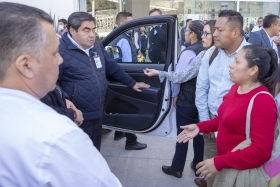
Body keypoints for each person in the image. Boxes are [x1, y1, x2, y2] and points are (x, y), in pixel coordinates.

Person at [0, 2, 121, 186]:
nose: (61, 59)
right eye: (55, 52)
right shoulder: (58, 137)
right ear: (25, 65)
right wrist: (71, 114)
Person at [177, 45, 278, 186]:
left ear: (253, 70)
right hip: (227, 165)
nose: (231, 65)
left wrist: (219, 162)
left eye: (237, 62)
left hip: (241, 173)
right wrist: (200, 127)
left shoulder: (263, 101)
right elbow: (224, 119)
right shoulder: (236, 87)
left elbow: (261, 152)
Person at [58, 12, 149, 151]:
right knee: (81, 155)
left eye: (93, 30)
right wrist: (64, 99)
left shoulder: (96, 47)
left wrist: (131, 83)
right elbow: (52, 83)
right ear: (72, 30)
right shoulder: (59, 51)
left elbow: (112, 67)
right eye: (86, 30)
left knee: (95, 152)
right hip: (77, 117)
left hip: (97, 112)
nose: (91, 34)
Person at [144, 20, 216, 179]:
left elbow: (179, 77)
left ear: (192, 34)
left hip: (187, 101)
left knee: (183, 135)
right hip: (204, 105)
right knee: (199, 135)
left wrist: (174, 95)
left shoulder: (190, 53)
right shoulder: (209, 53)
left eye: (186, 30)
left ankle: (177, 168)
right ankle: (198, 165)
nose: (184, 33)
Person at [195, 10, 249, 187]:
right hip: (211, 121)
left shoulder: (252, 57)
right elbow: (201, 89)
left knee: (235, 172)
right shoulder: (211, 53)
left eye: (219, 29)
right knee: (210, 169)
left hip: (239, 127)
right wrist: (205, 121)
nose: (214, 34)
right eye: (214, 29)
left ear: (235, 32)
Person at [110, 11, 147, 150]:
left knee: (120, 108)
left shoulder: (120, 37)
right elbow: (127, 62)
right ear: (121, 23)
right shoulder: (124, 40)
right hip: (125, 78)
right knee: (127, 110)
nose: (132, 25)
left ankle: (119, 133)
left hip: (120, 78)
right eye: (129, 22)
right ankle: (131, 141)